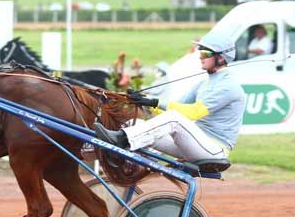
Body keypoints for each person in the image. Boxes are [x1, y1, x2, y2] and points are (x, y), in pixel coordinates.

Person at [94, 31, 246, 164]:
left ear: (221, 57)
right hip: (193, 144)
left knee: (174, 119)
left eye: (205, 53)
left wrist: (156, 102)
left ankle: (122, 140)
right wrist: (145, 101)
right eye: (200, 52)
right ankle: (110, 156)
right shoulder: (203, 83)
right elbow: (172, 108)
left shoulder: (228, 86)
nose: (200, 57)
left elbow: (192, 113)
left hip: (215, 150)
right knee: (133, 124)